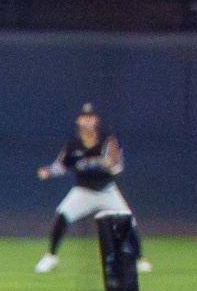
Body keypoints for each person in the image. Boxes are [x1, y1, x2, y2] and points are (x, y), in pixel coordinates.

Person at [35, 103, 150, 274]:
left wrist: (110, 165)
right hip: (83, 191)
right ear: (78, 121)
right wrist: (48, 171)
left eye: (91, 117)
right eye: (84, 118)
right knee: (62, 216)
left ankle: (138, 259)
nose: (87, 121)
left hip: (107, 191)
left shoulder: (107, 141)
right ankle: (51, 257)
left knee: (128, 221)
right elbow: (62, 165)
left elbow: (118, 167)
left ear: (96, 120)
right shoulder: (73, 145)